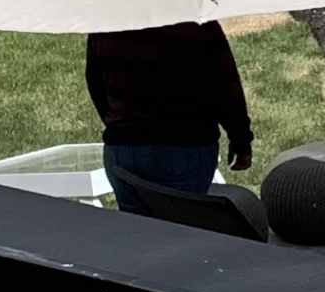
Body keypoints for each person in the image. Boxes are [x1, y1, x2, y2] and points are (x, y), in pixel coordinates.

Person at [86, 19, 253, 196]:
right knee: (182, 220)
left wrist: (118, 124)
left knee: (135, 222)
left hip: (124, 148)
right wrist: (240, 139)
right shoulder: (194, 23)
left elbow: (95, 83)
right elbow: (224, 86)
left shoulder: (107, 23)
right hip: (185, 143)